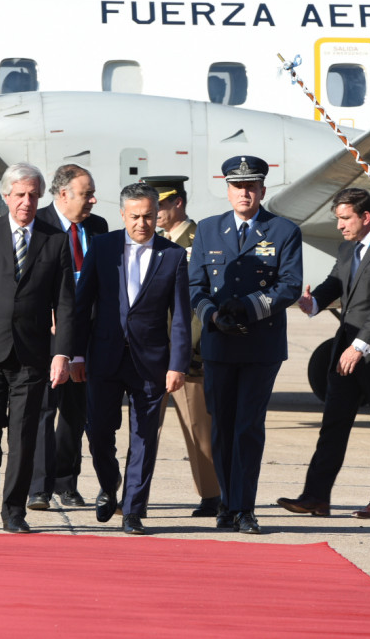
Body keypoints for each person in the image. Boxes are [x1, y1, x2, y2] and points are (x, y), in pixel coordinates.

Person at [0, 163, 75, 534]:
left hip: (33, 355)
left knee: (23, 435)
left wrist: (61, 353)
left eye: (33, 195)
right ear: (5, 197)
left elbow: (65, 304)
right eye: (19, 194)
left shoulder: (55, 240)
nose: (26, 202)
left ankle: (14, 509)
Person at [277, 187, 370, 519]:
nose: (339, 225)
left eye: (344, 219)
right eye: (337, 219)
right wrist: (313, 303)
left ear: (365, 217)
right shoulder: (346, 249)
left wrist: (359, 346)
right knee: (333, 426)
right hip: (346, 355)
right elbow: (334, 283)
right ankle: (316, 497)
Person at [188, 155, 303, 534]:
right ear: (228, 190)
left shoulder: (283, 231)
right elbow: (194, 287)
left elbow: (289, 285)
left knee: (248, 427)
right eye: (238, 186)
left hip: (260, 345)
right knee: (222, 426)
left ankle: (245, 508)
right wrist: (213, 316)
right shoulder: (207, 230)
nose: (245, 193)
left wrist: (249, 309)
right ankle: (227, 502)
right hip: (219, 343)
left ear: (262, 190)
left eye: (251, 186)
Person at [72, 183, 191, 535]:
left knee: (144, 438)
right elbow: (82, 305)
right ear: (123, 215)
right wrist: (77, 354)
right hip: (104, 357)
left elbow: (181, 316)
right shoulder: (103, 247)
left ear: (158, 215)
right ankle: (109, 486)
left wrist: (177, 365)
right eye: (135, 216)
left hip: (151, 363)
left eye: (149, 216)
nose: (142, 223)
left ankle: (134, 509)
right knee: (98, 433)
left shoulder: (172, 255)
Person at [28, 164, 108, 511]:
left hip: (87, 333)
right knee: (45, 409)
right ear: (63, 194)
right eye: (85, 193)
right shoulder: (40, 224)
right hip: (48, 333)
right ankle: (39, 488)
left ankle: (66, 482)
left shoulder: (97, 227)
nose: (93, 199)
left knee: (77, 413)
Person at [142, 175, 222, 518]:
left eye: (160, 205)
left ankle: (211, 496)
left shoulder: (199, 239)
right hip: (149, 355)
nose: (155, 213)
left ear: (178, 203)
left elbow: (197, 304)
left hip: (188, 356)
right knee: (142, 431)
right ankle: (133, 494)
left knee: (198, 432)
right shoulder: (152, 242)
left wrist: (186, 351)